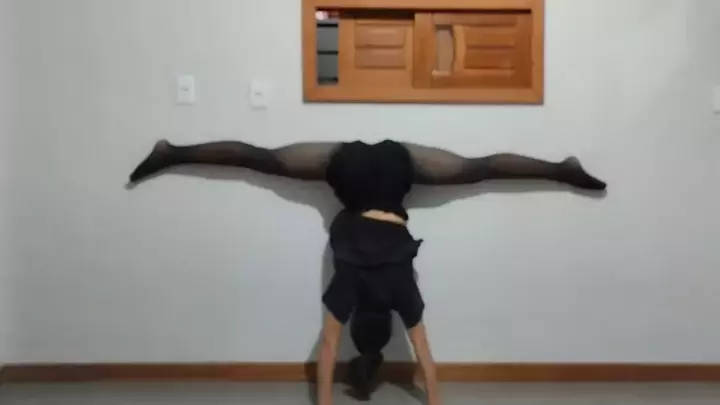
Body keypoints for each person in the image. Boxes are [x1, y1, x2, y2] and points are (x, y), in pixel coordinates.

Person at [128, 138, 606, 405]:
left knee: (475, 169)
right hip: (350, 171)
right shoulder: (351, 287)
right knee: (265, 161)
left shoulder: (400, 291)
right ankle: (172, 153)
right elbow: (334, 347)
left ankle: (561, 169)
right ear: (362, 320)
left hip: (394, 170)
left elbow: (422, 354)